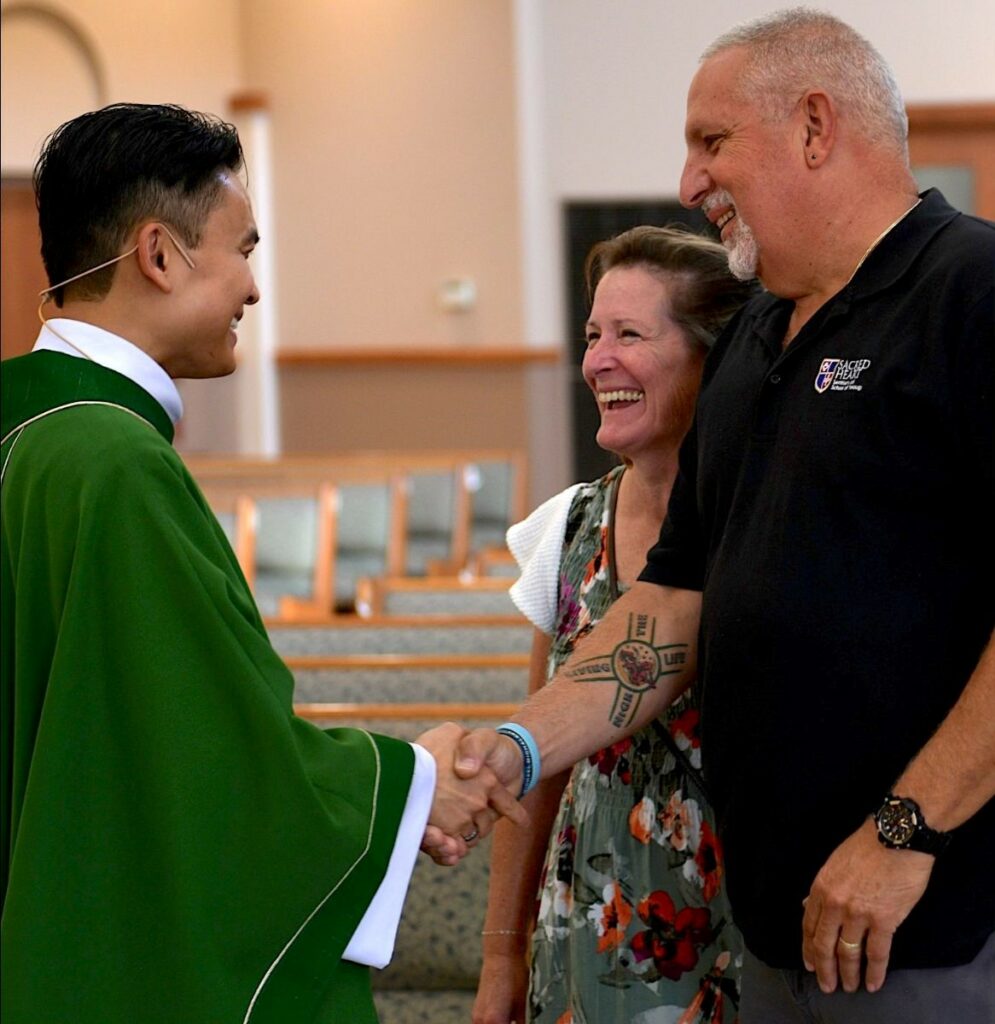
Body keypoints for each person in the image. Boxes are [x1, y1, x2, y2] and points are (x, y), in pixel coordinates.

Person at [457, 10, 994, 1023]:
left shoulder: (966, 290)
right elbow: (668, 603)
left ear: (813, 127)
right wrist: (517, 744)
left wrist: (899, 833)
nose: (686, 181)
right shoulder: (753, 333)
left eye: (711, 141)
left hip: (925, 924)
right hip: (767, 930)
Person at [0, 103, 521, 1024]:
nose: (252, 286)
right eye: (242, 248)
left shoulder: (37, 430)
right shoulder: (112, 463)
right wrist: (413, 786)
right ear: (159, 255)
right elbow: (202, 763)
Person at [472, 226, 751, 1024]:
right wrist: (500, 957)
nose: (597, 361)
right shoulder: (564, 529)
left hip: (740, 932)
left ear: (713, 356)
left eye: (630, 334)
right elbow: (540, 765)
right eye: (593, 335)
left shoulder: (765, 526)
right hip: (587, 934)